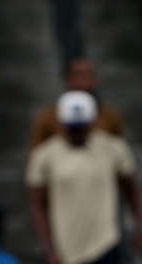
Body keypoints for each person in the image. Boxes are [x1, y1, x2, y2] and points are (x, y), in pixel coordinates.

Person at [26, 90, 142, 264]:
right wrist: (48, 249)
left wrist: (139, 226)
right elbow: (37, 204)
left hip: (106, 242)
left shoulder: (112, 148)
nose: (77, 132)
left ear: (92, 122)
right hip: (65, 248)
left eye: (82, 127)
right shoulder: (44, 156)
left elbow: (131, 191)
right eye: (72, 128)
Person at [28, 57, 124, 153]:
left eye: (88, 74)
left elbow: (121, 152)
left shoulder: (111, 117)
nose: (82, 79)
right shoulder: (47, 118)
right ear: (67, 79)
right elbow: (36, 155)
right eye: (77, 74)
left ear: (95, 79)